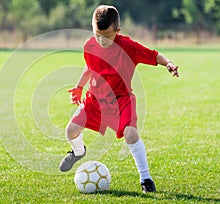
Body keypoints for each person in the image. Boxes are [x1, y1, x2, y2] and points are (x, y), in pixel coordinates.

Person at [59, 5, 179, 193]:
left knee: (131, 135)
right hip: (95, 100)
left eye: (107, 36)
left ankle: (146, 179)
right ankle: (78, 152)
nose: (102, 40)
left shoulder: (128, 46)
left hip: (122, 100)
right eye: (98, 34)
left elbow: (153, 55)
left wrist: (169, 64)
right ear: (92, 27)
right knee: (70, 131)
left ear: (117, 31)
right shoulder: (89, 45)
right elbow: (90, 67)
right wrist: (79, 86)